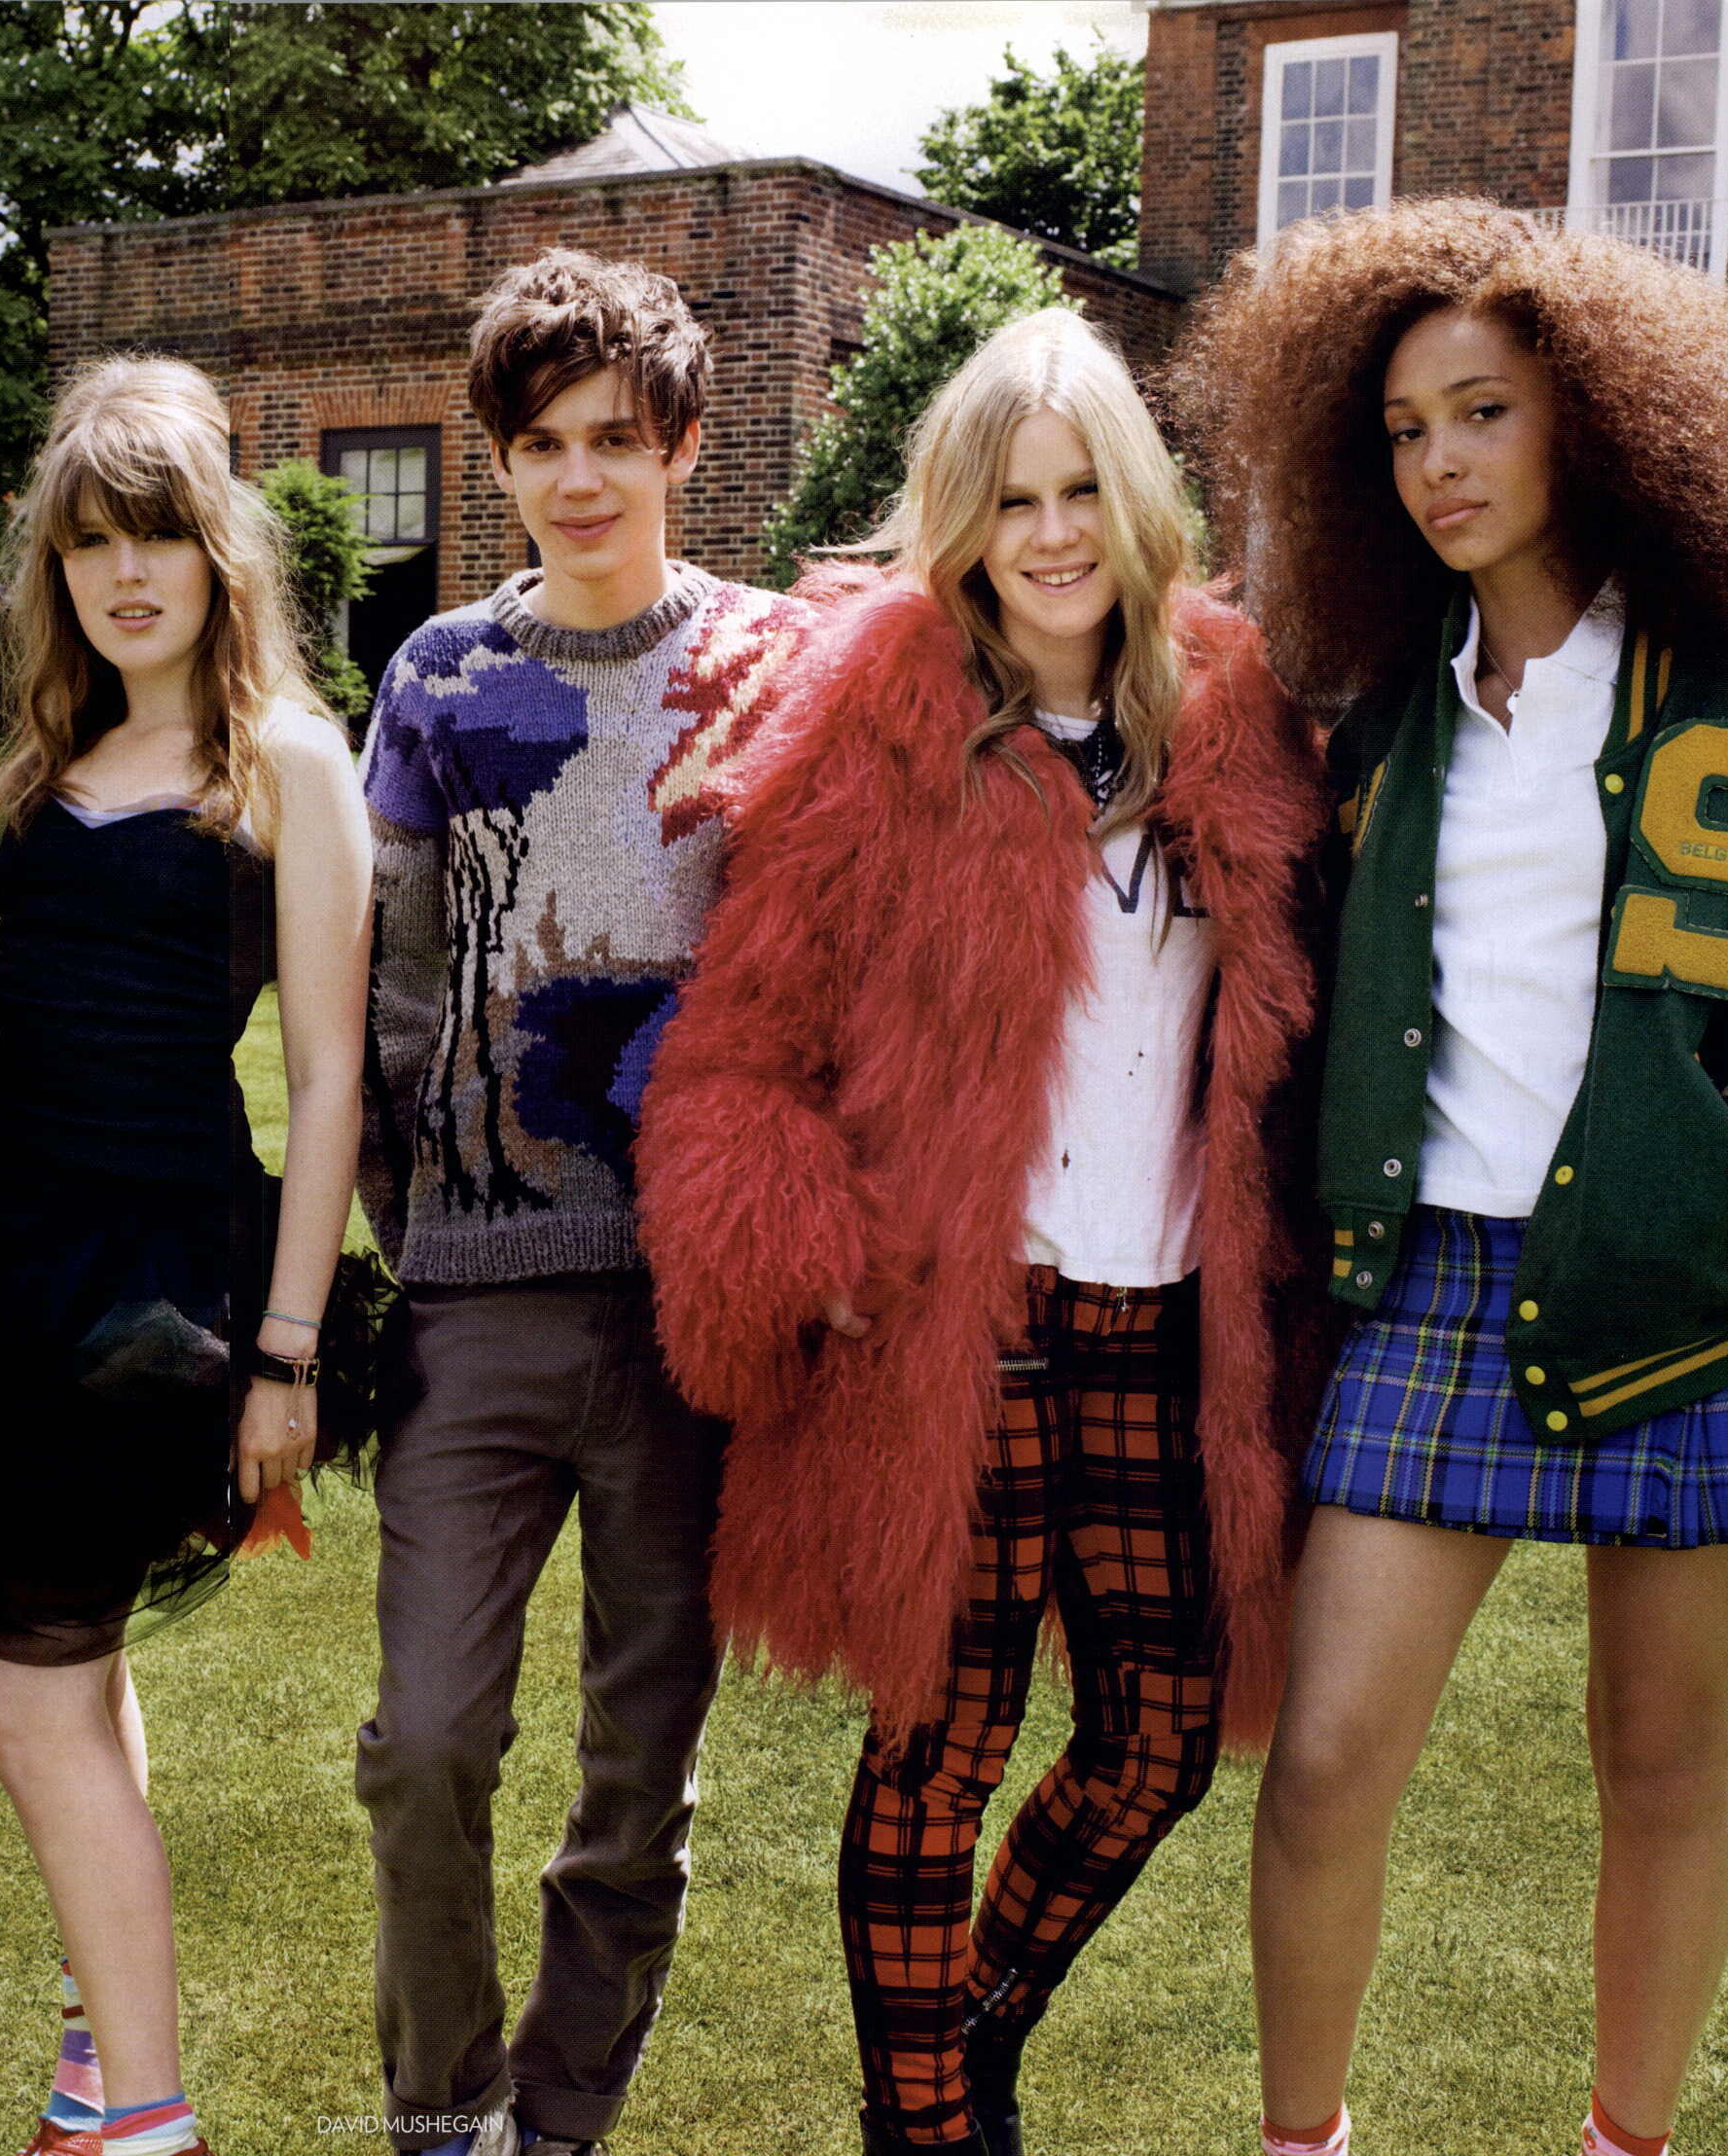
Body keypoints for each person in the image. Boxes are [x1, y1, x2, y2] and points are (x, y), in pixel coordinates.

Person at [1171, 198, 1728, 2156]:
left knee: (1659, 1763)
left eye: (1482, 411)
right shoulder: (1376, 712)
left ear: (1602, 418)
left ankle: (1621, 2144)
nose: (1439, 463)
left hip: (1693, 1293)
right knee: (1324, 1762)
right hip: (1432, 1287)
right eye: (1404, 429)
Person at [635, 307, 1329, 2156]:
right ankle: (926, 2126)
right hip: (961, 1315)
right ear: (959, 519)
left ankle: (964, 2034)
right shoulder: (880, 722)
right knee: (938, 1751)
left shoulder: (1234, 713)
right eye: (1012, 499)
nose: (1050, 533)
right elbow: (745, 1039)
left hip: (1166, 1315)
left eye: (1080, 488)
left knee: (1159, 1737)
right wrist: (813, 1245)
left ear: (1137, 497)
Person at [353, 248, 816, 2156]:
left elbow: (828, 970)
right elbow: (386, 983)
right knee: (426, 1745)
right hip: (473, 1292)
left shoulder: (772, 668)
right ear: (500, 460)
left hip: (696, 1318)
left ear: (682, 447)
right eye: (540, 445)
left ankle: (560, 2115)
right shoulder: (440, 680)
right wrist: (409, 1222)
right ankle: (440, 2108)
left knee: (639, 1773)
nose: (577, 479)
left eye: (615, 440)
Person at [0, 355, 371, 2156]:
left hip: (156, 1286)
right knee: (81, 1679)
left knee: (22, 1702)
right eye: (92, 542)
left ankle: (152, 2124)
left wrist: (287, 1353)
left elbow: (325, 1076)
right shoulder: (59, 760)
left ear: (219, 553)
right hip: (3, 1269)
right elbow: (18, 1000)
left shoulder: (293, 763)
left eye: (159, 536)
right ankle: (99, 2076)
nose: (126, 573)